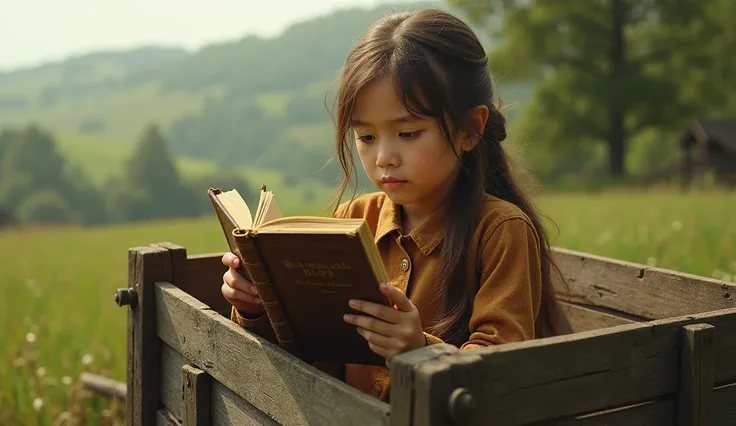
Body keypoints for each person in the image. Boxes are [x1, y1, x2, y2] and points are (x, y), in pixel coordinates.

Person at [220, 8, 563, 402]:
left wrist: (420, 350)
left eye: (408, 133)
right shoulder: (352, 220)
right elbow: (319, 357)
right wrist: (258, 307)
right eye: (366, 138)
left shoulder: (500, 231)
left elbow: (503, 371)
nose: (384, 157)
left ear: (471, 129)